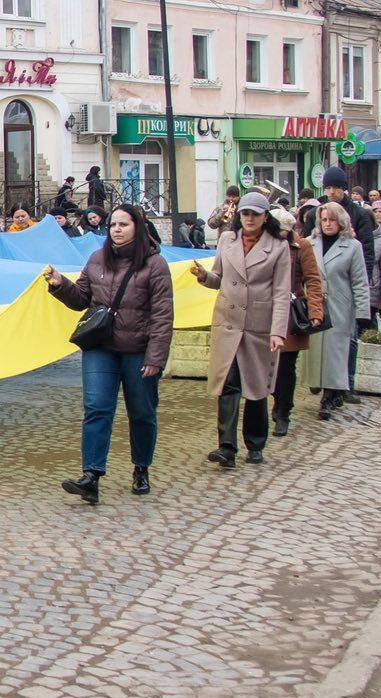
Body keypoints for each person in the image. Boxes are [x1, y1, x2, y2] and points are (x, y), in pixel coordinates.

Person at [43, 204, 174, 503]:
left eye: (123, 224)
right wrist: (61, 285)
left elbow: (163, 316)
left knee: (142, 413)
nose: (116, 229)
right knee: (96, 408)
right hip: (101, 347)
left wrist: (156, 358)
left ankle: (141, 468)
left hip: (139, 351)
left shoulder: (155, 264)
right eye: (113, 224)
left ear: (137, 227)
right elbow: (82, 300)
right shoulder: (96, 258)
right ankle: (91, 476)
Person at [189, 191, 293, 468]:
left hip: (258, 324)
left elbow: (282, 292)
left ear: (265, 217)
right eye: (245, 213)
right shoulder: (227, 239)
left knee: (256, 386)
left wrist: (278, 331)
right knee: (228, 382)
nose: (249, 218)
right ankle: (226, 447)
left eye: (255, 214)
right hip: (228, 321)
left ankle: (255, 444)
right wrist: (204, 276)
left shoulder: (278, 247)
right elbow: (219, 278)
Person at [306, 203, 370, 418]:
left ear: (341, 222)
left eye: (332, 220)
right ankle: (322, 385)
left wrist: (362, 313)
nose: (327, 224)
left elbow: (360, 281)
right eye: (324, 220)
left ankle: (330, 395)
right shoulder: (309, 243)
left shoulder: (352, 246)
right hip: (314, 304)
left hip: (340, 305)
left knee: (335, 352)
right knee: (316, 349)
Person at [269, 207, 324, 438]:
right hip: (265, 311)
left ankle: (284, 412)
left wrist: (315, 311)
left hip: (291, 313)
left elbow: (313, 279)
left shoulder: (302, 246)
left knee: (285, 366)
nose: (280, 234)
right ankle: (276, 398)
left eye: (284, 230)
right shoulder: (264, 243)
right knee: (267, 366)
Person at [321, 166, 374, 293]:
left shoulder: (360, 214)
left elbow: (367, 250)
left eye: (336, 187)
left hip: (348, 279)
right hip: (321, 281)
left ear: (343, 188)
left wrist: (363, 284)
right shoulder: (316, 213)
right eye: (328, 187)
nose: (332, 192)